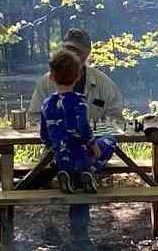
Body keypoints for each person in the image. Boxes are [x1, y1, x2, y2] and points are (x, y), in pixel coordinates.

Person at [28, 29, 124, 251]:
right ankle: (73, 235)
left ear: (87, 54)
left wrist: (94, 131)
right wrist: (59, 134)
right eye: (67, 49)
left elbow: (116, 117)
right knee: (83, 170)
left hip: (87, 148)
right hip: (58, 150)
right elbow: (34, 117)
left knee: (83, 170)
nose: (71, 54)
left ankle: (79, 236)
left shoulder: (102, 82)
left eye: (76, 51)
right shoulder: (46, 82)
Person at [39, 48, 117, 194]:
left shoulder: (46, 104)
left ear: (51, 77)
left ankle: (67, 175)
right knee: (110, 140)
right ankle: (89, 172)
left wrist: (55, 145)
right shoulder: (79, 102)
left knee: (64, 155)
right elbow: (83, 128)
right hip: (81, 157)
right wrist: (94, 146)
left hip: (60, 158)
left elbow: (44, 135)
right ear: (77, 77)